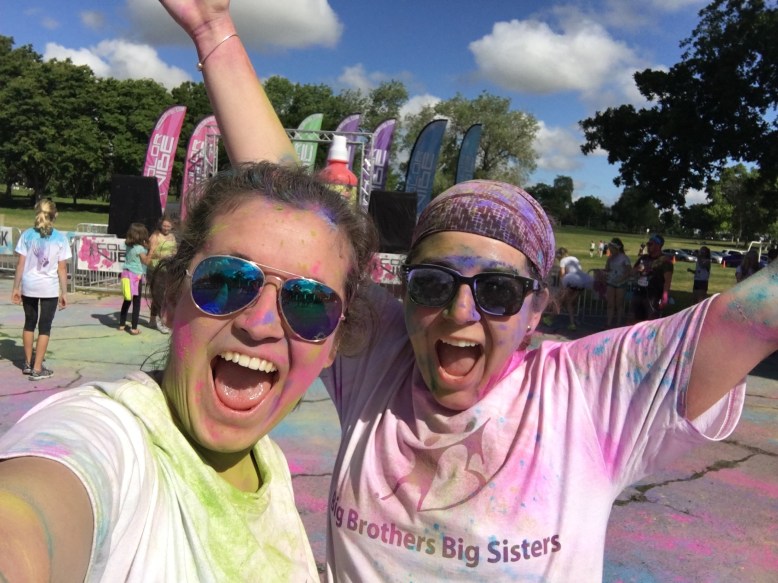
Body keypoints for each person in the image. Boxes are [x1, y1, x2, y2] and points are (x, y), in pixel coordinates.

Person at [168, 1, 777, 579]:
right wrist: (214, 32)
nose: (459, 312)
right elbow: (296, 215)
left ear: (537, 307)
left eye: (499, 291)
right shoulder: (378, 351)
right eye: (433, 284)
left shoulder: (590, 395)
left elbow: (760, 313)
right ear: (404, 292)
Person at [0, 162, 378, 580]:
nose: (260, 324)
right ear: (170, 297)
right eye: (228, 280)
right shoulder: (113, 440)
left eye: (309, 302)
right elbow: (29, 515)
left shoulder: (266, 462)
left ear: (332, 347)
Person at [10, 198, 70, 381]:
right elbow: (62, 268)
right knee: (45, 327)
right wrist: (64, 292)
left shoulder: (27, 235)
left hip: (29, 286)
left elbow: (20, 264)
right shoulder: (60, 238)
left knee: (29, 323)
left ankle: (28, 364)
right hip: (49, 289)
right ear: (55, 216)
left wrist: (15, 287)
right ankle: (38, 367)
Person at [631, 234, 673, 322]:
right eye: (648, 244)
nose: (648, 246)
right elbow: (632, 272)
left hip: (654, 295)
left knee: (651, 320)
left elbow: (667, 280)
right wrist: (637, 269)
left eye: (651, 244)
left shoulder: (664, 261)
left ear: (658, 246)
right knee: (636, 320)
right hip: (639, 292)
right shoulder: (644, 258)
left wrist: (665, 295)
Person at [147, 215, 178, 333]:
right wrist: (162, 256)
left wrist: (173, 258)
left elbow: (174, 251)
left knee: (160, 295)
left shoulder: (172, 237)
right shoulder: (155, 236)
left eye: (168, 226)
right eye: (164, 225)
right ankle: (162, 322)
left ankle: (152, 320)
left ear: (172, 226)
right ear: (161, 225)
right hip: (155, 269)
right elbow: (151, 252)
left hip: (167, 269)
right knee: (159, 295)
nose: (166, 228)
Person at [118, 222, 150, 335]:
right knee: (136, 302)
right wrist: (152, 251)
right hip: (136, 276)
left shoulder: (128, 245)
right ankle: (134, 327)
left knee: (127, 299)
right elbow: (145, 261)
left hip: (126, 273)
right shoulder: (140, 248)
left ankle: (122, 324)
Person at [555, 247, 593, 331]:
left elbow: (562, 274)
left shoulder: (562, 261)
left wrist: (562, 285)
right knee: (571, 301)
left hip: (572, 281)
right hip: (582, 280)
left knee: (567, 302)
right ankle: (573, 319)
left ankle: (572, 323)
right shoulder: (574, 258)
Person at [603, 237, 631, 327]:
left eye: (611, 247)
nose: (609, 249)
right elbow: (607, 269)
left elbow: (628, 271)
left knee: (619, 304)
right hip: (611, 281)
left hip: (621, 283)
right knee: (610, 304)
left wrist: (622, 278)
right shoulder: (610, 258)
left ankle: (618, 324)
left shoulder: (624, 258)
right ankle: (608, 323)